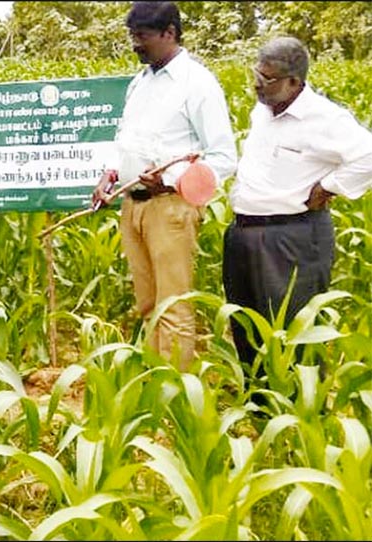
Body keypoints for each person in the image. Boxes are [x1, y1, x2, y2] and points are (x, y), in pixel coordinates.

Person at [91, 1, 237, 371]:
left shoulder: (197, 84)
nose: (135, 44)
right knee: (147, 304)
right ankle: (156, 380)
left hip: (170, 208)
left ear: (169, 33)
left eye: (141, 36)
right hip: (133, 206)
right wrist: (111, 172)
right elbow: (126, 140)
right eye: (132, 36)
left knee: (172, 307)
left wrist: (168, 180)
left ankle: (174, 395)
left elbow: (222, 157)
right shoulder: (141, 82)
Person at [223, 36, 372, 371]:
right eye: (256, 73)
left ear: (294, 81)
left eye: (267, 78)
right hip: (245, 232)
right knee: (248, 326)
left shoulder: (324, 118)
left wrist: (331, 186)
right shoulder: (262, 111)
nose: (257, 84)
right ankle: (260, 409)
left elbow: (368, 155)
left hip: (291, 237)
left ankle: (299, 414)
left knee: (292, 330)